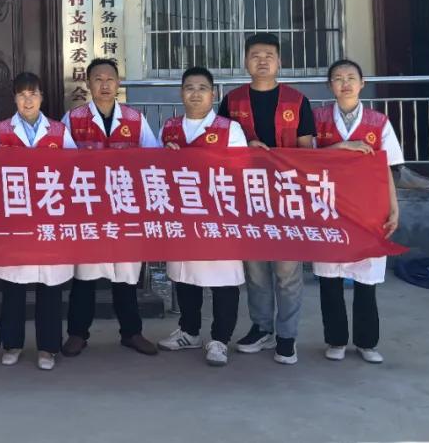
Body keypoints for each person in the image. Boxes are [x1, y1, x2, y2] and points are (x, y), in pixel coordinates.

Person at [218, 32, 316, 365]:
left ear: (279, 62)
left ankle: (287, 336)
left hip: (287, 196)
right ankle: (261, 328)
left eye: (269, 55)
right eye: (255, 55)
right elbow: (220, 144)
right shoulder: (232, 101)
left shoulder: (297, 101)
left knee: (287, 272)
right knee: (256, 270)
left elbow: (307, 151)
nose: (262, 61)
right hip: (247, 196)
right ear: (245, 61)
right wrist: (245, 149)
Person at [61, 58, 160, 358]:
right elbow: (61, 163)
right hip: (88, 207)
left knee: (126, 273)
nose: (104, 85)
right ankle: (77, 334)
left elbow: (153, 159)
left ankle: (132, 333)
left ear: (118, 84)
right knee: (85, 274)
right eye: (98, 79)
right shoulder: (73, 119)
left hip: (125, 206)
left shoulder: (135, 119)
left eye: (110, 79)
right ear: (88, 84)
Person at [156, 66, 248, 367]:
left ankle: (220, 339)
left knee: (223, 279)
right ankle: (189, 331)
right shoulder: (170, 127)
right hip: (182, 213)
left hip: (218, 214)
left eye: (202, 88)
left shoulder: (229, 129)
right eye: (189, 88)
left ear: (214, 94)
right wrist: (167, 157)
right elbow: (154, 169)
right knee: (186, 275)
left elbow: (240, 171)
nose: (195, 94)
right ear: (181, 93)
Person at [0, 71, 77, 371]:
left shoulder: (59, 131)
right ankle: (11, 343)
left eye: (33, 94)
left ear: (42, 97)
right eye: (22, 95)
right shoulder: (1, 131)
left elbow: (76, 169)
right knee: (14, 284)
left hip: (51, 216)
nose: (28, 100)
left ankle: (48, 347)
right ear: (14, 98)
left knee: (49, 285)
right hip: (15, 218)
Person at [313, 59, 402, 364]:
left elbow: (387, 169)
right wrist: (343, 147)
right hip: (328, 206)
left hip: (368, 208)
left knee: (366, 279)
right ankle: (336, 339)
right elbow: (305, 159)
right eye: (338, 78)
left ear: (362, 83)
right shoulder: (318, 119)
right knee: (330, 279)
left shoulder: (379, 122)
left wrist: (394, 208)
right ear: (330, 86)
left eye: (351, 77)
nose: (345, 83)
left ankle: (367, 342)